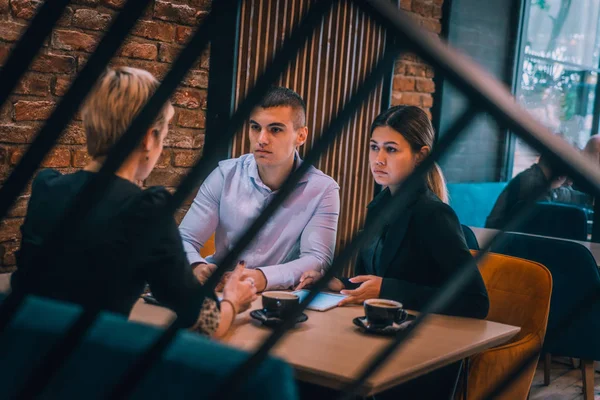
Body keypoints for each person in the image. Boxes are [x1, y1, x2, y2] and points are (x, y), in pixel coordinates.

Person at [12, 67, 256, 338]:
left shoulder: (46, 187)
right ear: (148, 139)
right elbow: (205, 323)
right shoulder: (145, 209)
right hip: (87, 368)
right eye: (162, 138)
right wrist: (233, 300)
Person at [295, 105, 489, 399]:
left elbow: (475, 302)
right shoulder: (379, 207)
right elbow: (376, 278)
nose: (378, 159)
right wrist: (340, 285)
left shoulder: (434, 215)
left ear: (421, 156)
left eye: (391, 150)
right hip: (377, 339)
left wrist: (388, 289)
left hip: (421, 356)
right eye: (374, 148)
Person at [179, 87, 340, 292]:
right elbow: (185, 239)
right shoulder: (224, 175)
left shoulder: (323, 189)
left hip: (280, 298)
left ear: (301, 136)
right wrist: (197, 266)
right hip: (220, 290)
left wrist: (262, 277)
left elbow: (317, 260)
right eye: (255, 127)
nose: (261, 139)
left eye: (275, 129)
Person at [485, 154, 591, 229]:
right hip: (499, 242)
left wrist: (590, 199)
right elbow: (543, 210)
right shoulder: (530, 181)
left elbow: (567, 195)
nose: (570, 183)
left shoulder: (546, 183)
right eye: (567, 176)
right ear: (558, 174)